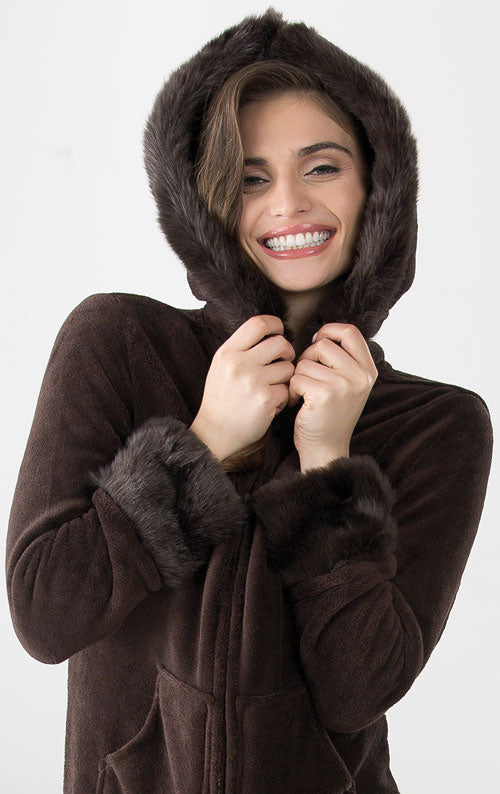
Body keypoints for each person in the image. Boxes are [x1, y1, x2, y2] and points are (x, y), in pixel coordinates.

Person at [5, 8, 493, 794]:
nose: (288, 204)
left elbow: (359, 690)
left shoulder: (440, 424)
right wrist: (198, 449)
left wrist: (327, 465)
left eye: (322, 167)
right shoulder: (118, 342)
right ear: (207, 203)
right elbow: (44, 615)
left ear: (378, 188)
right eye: (251, 178)